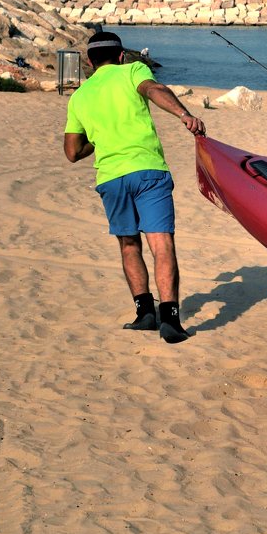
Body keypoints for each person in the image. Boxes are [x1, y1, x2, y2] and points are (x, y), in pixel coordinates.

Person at [64, 31, 206, 344]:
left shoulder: (80, 96)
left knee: (129, 245)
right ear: (120, 56)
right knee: (161, 243)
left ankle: (144, 314)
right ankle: (169, 318)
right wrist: (183, 114)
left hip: (111, 178)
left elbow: (73, 152)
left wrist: (100, 139)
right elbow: (154, 88)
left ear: (90, 62)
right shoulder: (132, 71)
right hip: (147, 170)